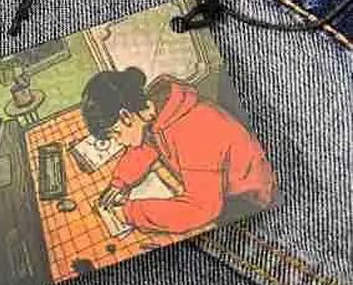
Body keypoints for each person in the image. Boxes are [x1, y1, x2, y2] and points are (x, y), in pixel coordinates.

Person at [81, 67, 276, 235]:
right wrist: (120, 181)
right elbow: (147, 146)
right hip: (215, 187)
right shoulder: (155, 108)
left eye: (116, 134)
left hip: (249, 199)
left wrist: (130, 213)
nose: (119, 142)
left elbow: (201, 208)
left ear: (125, 116)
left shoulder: (195, 129)